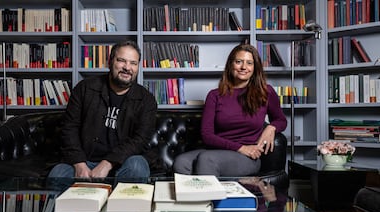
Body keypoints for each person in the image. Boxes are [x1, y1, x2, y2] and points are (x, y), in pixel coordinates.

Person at [48, 40, 158, 180]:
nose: (127, 67)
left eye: (133, 63)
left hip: (122, 163)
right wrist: (79, 164)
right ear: (110, 61)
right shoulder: (85, 88)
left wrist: (107, 163)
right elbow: (69, 128)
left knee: (137, 166)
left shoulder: (146, 100)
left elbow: (140, 140)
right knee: (58, 174)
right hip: (84, 160)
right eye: (121, 60)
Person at [173, 44, 287, 176]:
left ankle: (211, 197)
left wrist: (271, 127)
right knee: (180, 163)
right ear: (230, 65)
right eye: (239, 62)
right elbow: (207, 135)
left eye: (249, 63)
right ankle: (195, 196)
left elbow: (281, 120)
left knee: (206, 160)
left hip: (248, 156)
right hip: (223, 150)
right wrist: (240, 148)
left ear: (255, 68)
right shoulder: (214, 95)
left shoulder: (266, 92)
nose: (244, 67)